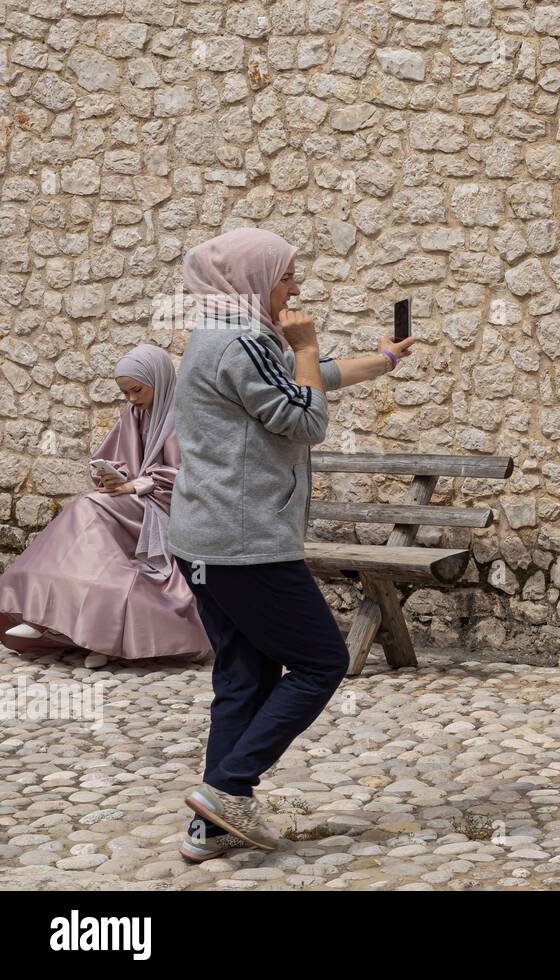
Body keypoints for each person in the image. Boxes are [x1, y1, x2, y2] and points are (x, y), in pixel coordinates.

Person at [168, 227, 416, 863]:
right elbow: (306, 419)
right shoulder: (247, 342)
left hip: (204, 539)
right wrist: (304, 343)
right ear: (252, 279)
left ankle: (211, 826)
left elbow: (307, 380)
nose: (296, 285)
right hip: (245, 540)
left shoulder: (216, 335)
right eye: (286, 275)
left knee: (244, 676)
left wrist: (383, 360)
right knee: (320, 662)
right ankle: (228, 787)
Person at [0, 344, 211, 661]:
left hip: (171, 507)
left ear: (159, 379)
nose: (132, 399)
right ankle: (60, 622)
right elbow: (113, 457)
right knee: (91, 506)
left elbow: (190, 475)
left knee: (90, 506)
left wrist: (133, 486)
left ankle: (53, 621)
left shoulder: (184, 416)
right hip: (138, 501)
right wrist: (112, 477)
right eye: (126, 393)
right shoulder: (136, 414)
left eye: (137, 390)